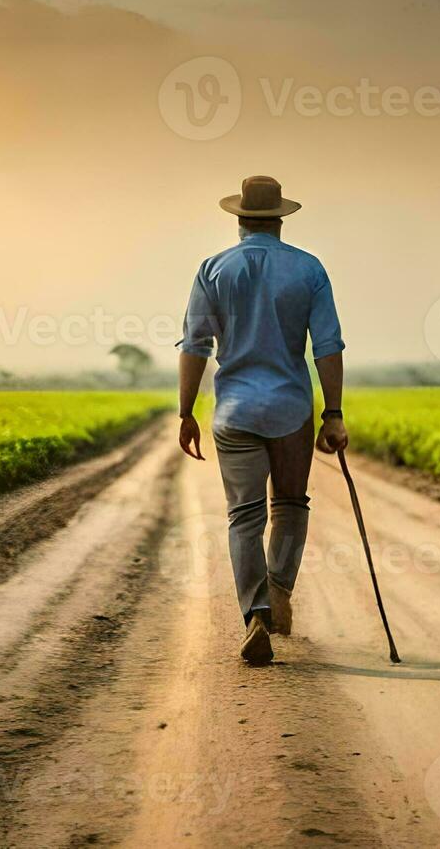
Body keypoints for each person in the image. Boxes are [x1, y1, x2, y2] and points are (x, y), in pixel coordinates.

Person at [176, 176, 348, 666]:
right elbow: (328, 345)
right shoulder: (308, 269)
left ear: (239, 219)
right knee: (291, 502)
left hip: (233, 412)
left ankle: (255, 614)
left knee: (243, 517)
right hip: (291, 409)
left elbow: (195, 345)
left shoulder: (212, 269)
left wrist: (186, 412)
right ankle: (280, 587)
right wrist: (332, 413)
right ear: (279, 219)